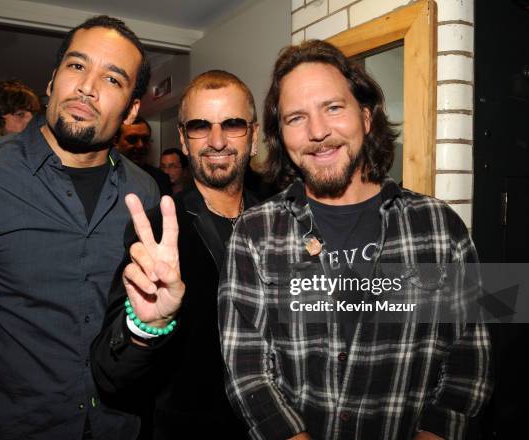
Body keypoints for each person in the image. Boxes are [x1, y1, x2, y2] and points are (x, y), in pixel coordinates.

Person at [217, 40, 492, 440]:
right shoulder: (253, 233)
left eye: (333, 107)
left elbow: (470, 360)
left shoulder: (440, 225)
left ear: (365, 117)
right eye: (296, 118)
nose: (317, 132)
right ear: (281, 136)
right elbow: (246, 368)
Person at [0, 15, 160, 440]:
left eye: (113, 79)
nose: (87, 86)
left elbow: (133, 315)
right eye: (77, 65)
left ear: (132, 109)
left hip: (115, 425)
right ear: (52, 81)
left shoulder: (144, 194)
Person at [91, 70, 260, 439]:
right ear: (184, 140)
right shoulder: (158, 228)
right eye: (200, 127)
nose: (217, 141)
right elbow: (109, 371)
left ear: (254, 135)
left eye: (232, 124)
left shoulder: (282, 219)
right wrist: (145, 327)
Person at [116, 117, 172, 195]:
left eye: (145, 139)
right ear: (116, 142)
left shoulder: (159, 178)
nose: (140, 145)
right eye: (132, 139)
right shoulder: (105, 175)